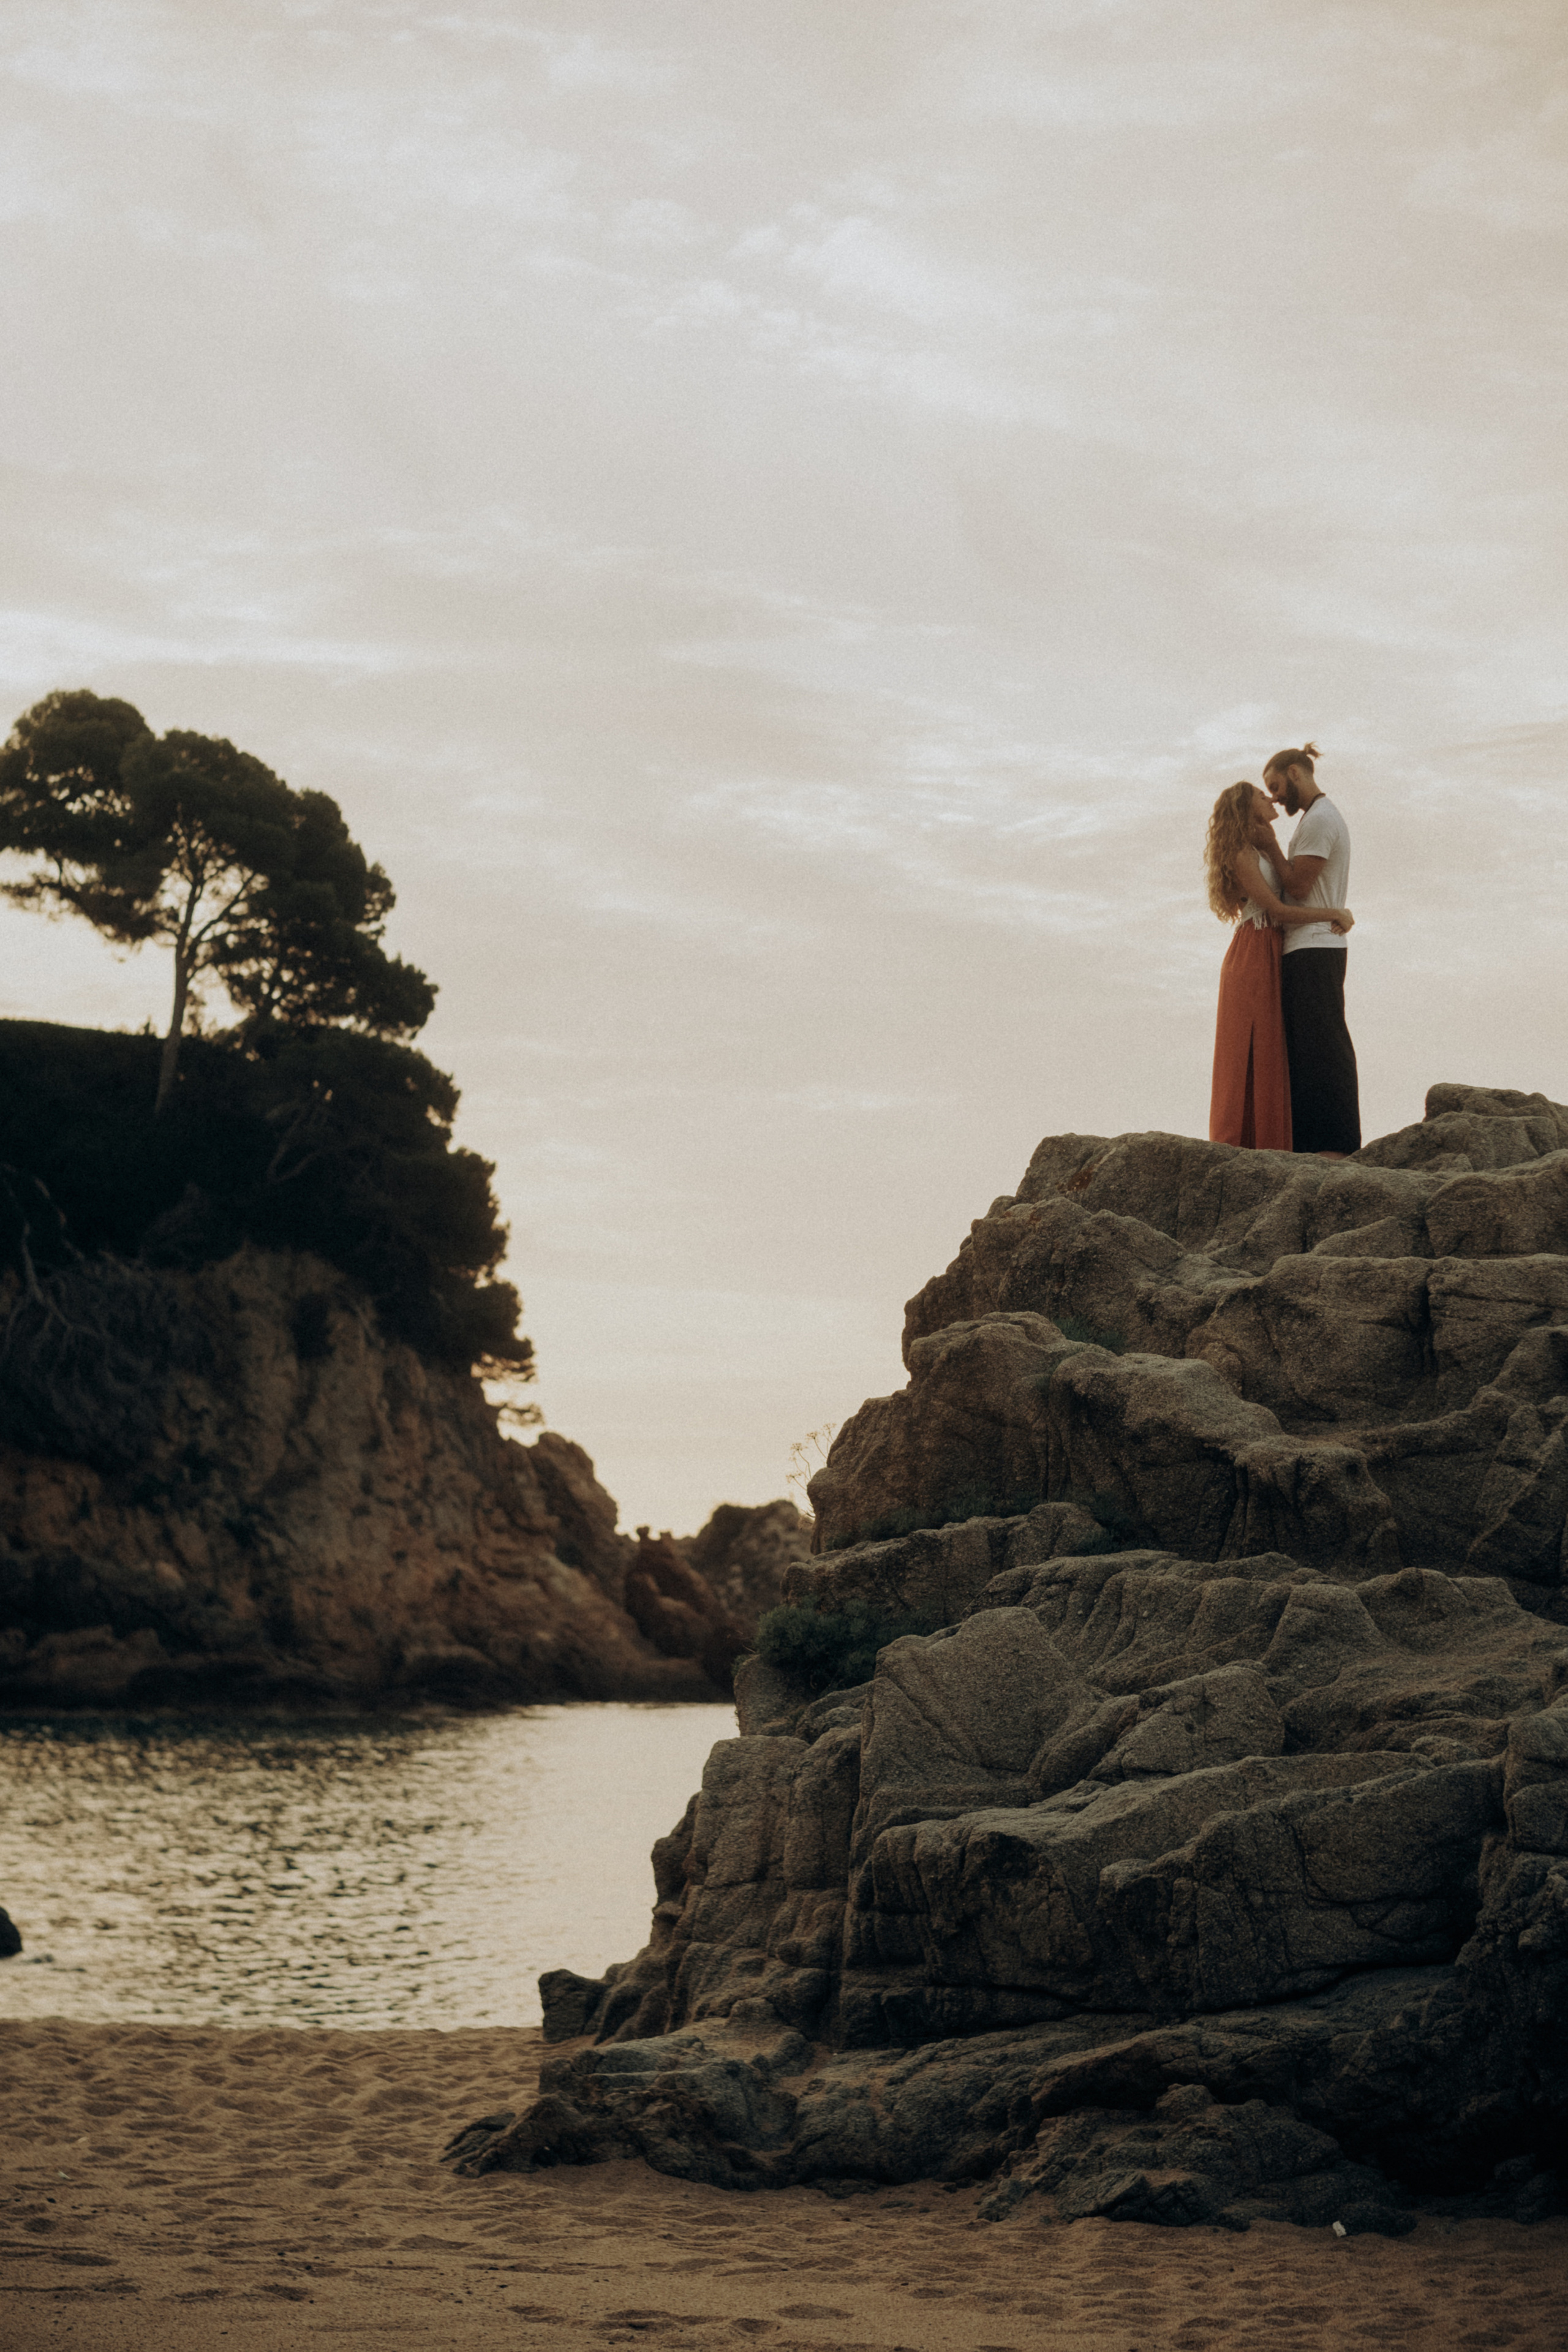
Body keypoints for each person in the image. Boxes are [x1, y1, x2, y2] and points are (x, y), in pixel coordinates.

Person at [1205, 779, 1353, 1151]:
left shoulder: (1261, 849)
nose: (1270, 797)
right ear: (1246, 808)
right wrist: (1334, 912)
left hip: (1271, 948)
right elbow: (1279, 910)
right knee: (1256, 1045)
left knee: (1275, 1046)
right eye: (1262, 794)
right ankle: (1245, 1142)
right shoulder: (1242, 853)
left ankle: (1275, 1141)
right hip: (1254, 951)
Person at [1262, 742, 1361, 1158]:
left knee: (1324, 1044)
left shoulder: (1320, 820)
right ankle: (1313, 1144)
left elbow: (1299, 887)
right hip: (1308, 944)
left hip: (1316, 945)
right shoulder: (1314, 819)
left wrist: (1269, 844)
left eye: (1275, 786)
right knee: (1306, 1048)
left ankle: (1335, 1145)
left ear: (1295, 773)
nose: (1274, 797)